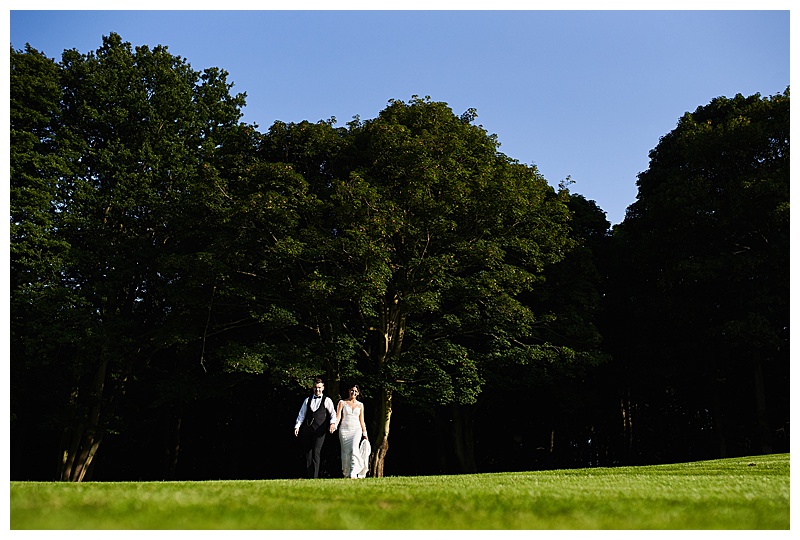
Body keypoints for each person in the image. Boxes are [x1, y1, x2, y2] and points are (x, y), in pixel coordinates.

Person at [294, 378, 337, 478]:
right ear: (313, 388)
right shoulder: (307, 400)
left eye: (319, 388)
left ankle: (315, 476)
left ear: (323, 388)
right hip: (307, 430)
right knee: (308, 453)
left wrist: (332, 424)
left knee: (316, 452)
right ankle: (308, 476)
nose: (317, 390)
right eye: (316, 388)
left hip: (320, 431)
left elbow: (333, 414)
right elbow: (301, 414)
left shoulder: (327, 400)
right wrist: (297, 426)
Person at [335, 384, 369, 478]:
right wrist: (334, 425)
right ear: (348, 391)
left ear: (358, 393)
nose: (353, 392)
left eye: (355, 391)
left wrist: (364, 434)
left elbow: (362, 420)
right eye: (352, 390)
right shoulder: (342, 402)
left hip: (356, 430)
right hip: (344, 430)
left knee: (354, 449)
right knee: (345, 452)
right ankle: (346, 473)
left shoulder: (360, 405)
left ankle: (353, 472)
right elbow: (338, 417)